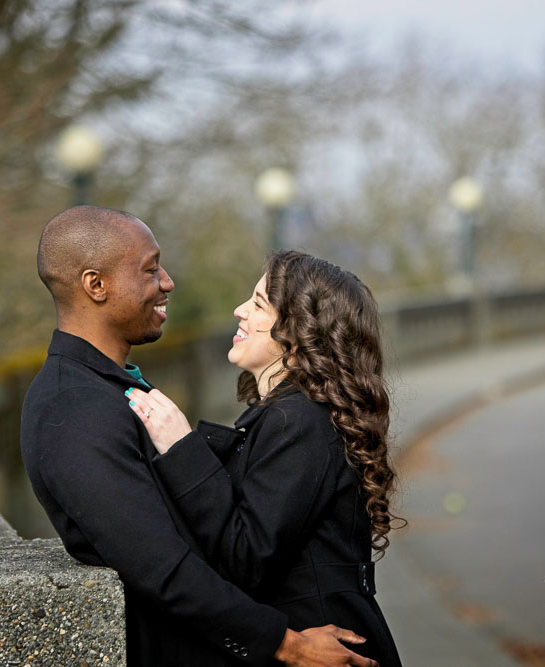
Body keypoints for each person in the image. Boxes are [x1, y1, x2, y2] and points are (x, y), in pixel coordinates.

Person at [20, 206, 379, 667]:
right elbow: (162, 568)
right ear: (96, 285)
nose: (167, 282)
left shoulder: (111, 389)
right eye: (150, 269)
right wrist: (285, 643)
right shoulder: (72, 406)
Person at [125, 250, 403, 666]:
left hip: (326, 647)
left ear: (299, 329)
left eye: (257, 304)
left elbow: (246, 557)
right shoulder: (291, 415)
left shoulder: (298, 420)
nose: (239, 311)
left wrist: (181, 446)